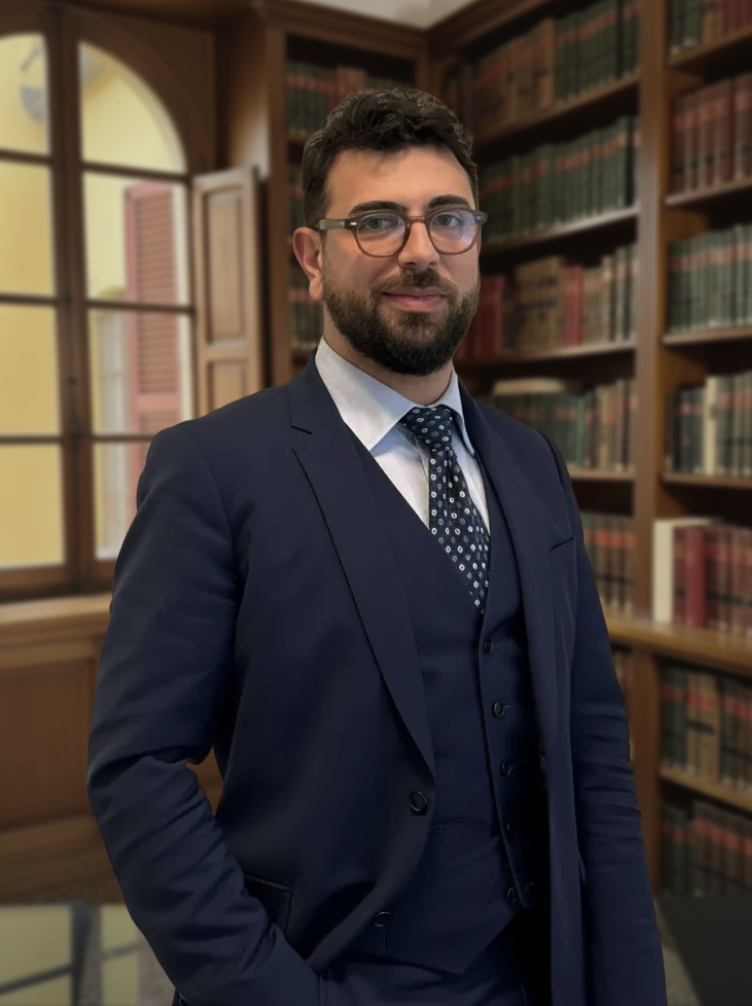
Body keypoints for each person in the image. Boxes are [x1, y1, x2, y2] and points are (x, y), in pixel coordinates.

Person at [86, 88, 667, 1006]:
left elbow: (594, 745)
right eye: (378, 222)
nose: (420, 251)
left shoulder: (532, 464)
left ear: (475, 243)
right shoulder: (212, 468)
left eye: (447, 220)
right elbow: (137, 772)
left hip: (542, 974)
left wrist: (630, 980)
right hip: (327, 974)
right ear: (312, 258)